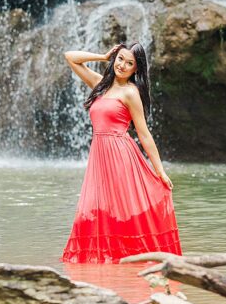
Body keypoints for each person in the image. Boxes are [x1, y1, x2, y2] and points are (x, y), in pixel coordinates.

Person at [60, 42, 182, 263]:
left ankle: (131, 257)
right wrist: (103, 56)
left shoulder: (131, 92)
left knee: (120, 207)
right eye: (120, 59)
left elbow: (144, 134)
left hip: (120, 154)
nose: (123, 65)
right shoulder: (100, 85)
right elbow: (70, 56)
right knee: (97, 207)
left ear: (136, 69)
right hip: (99, 155)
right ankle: (107, 256)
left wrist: (160, 170)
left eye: (130, 63)